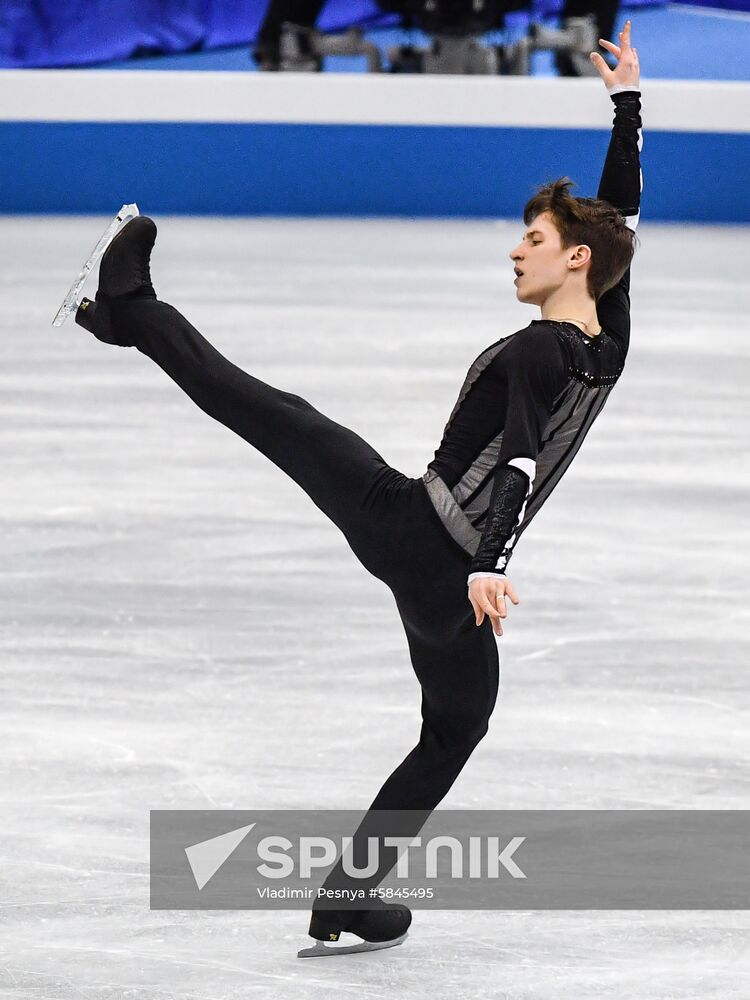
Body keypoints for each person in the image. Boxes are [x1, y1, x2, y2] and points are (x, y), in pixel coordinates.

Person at [71, 21, 642, 957]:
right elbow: (618, 222)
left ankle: (134, 312)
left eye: (532, 240)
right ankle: (351, 894)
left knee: (271, 413)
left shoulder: (544, 348)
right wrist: (627, 109)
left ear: (572, 260)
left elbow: (524, 457)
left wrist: (491, 561)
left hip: (422, 535)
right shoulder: (604, 344)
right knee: (456, 725)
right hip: (447, 578)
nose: (515, 252)